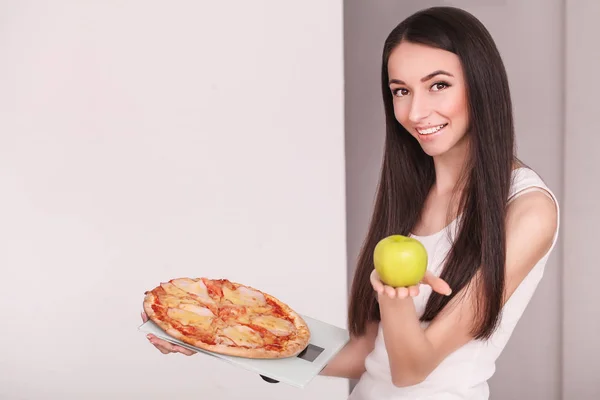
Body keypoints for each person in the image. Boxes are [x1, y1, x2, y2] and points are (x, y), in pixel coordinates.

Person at [142, 6, 560, 399]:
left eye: (439, 85)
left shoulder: (528, 208)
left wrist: (394, 299)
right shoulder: (414, 192)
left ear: (481, 84)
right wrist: (233, 334)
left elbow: (412, 367)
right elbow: (374, 353)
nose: (416, 111)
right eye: (401, 90)